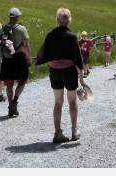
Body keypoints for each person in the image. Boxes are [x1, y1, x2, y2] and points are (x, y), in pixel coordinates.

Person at [36, 8, 84, 144]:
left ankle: (58, 133)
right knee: (72, 101)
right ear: (69, 20)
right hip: (69, 71)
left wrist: (40, 61)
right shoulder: (72, 36)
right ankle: (74, 131)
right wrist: (81, 72)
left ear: (57, 20)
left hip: (54, 70)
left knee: (58, 102)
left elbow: (43, 53)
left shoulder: (50, 35)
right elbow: (77, 57)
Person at [0, 7, 31, 118]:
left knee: (9, 84)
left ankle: (10, 104)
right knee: (23, 80)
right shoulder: (22, 29)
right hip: (19, 59)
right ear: (17, 17)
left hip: (7, 59)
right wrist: (29, 58)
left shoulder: (2, 29)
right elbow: (26, 45)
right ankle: (14, 101)